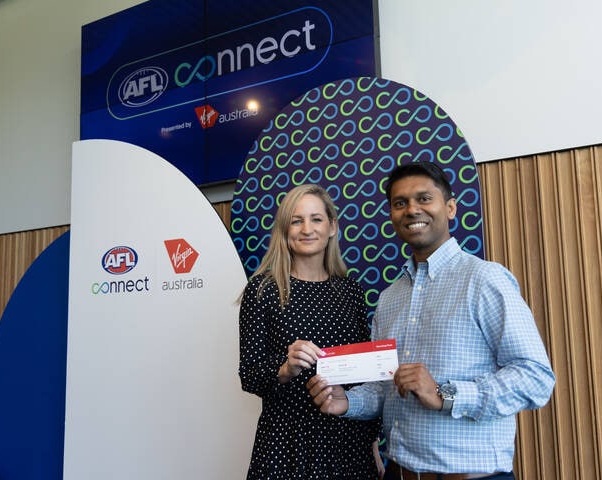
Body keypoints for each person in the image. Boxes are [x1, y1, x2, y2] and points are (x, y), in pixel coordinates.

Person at [307, 162, 555, 480]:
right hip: (400, 472)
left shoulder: (484, 279)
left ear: (450, 208)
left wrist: (445, 394)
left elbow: (536, 379)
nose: (412, 209)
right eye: (400, 203)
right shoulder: (390, 298)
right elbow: (385, 388)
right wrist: (347, 401)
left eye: (424, 198)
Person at [238, 184, 383, 479]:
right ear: (284, 229)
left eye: (316, 219)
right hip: (286, 442)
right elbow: (249, 376)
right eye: (297, 220)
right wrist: (284, 367)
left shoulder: (350, 291)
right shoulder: (263, 290)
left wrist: (373, 445)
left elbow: (364, 379)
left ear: (332, 227)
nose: (307, 229)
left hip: (347, 440)